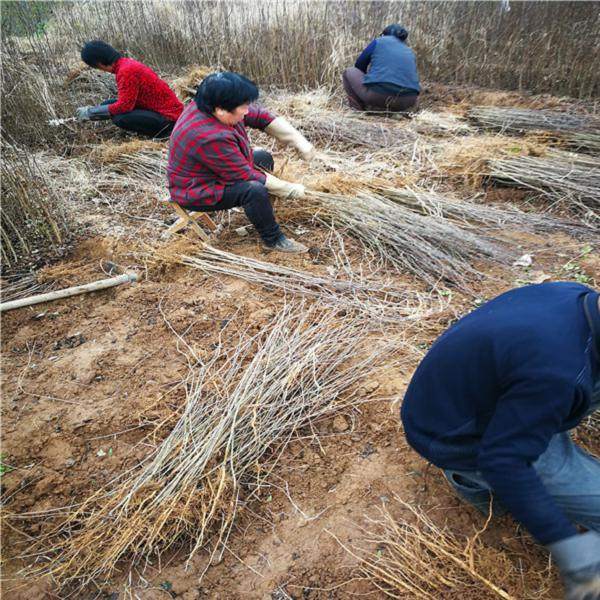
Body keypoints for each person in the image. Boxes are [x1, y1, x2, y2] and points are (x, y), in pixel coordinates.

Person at [401, 282, 600, 600]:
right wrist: (576, 555)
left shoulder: (578, 298)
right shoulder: (556, 374)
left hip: (463, 398)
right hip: (454, 436)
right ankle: (468, 478)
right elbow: (503, 461)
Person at [167, 72, 314, 253]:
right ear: (221, 109)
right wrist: (289, 189)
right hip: (196, 189)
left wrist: (297, 140)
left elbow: (259, 116)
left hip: (213, 171)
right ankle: (273, 239)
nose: (247, 111)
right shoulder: (208, 136)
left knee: (263, 158)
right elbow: (245, 175)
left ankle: (261, 210)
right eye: (243, 107)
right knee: (253, 190)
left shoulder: (211, 105)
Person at [76, 40, 183, 138]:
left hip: (170, 119)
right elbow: (127, 102)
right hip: (162, 110)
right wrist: (96, 112)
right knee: (108, 104)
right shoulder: (126, 64)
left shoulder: (126, 72)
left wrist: (90, 113)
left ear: (98, 63)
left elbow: (125, 106)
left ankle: (164, 134)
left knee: (120, 118)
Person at [343, 24, 420, 113]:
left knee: (349, 71)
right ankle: (400, 112)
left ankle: (358, 110)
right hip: (407, 101)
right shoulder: (409, 50)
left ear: (384, 34)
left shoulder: (379, 41)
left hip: (378, 96)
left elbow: (359, 65)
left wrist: (370, 78)